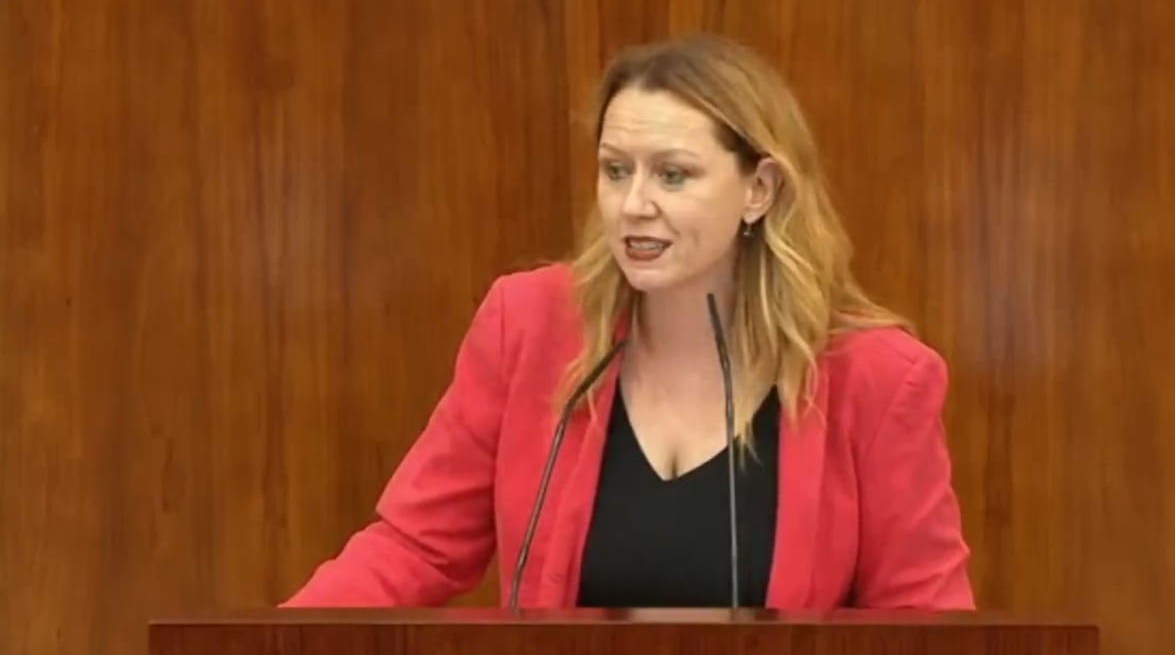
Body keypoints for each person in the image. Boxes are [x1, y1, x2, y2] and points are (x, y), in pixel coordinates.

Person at [282, 34, 974, 611]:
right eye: (615, 171)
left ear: (758, 190)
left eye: (672, 175)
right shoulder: (528, 326)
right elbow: (416, 547)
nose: (632, 204)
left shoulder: (875, 378)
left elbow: (924, 626)